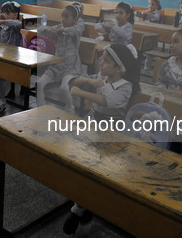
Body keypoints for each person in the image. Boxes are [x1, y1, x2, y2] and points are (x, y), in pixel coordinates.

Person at [63, 43, 140, 235]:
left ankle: (85, 207)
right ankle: (82, 205)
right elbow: (93, 83)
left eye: (106, 60)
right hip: (93, 122)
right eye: (102, 58)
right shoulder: (102, 77)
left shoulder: (126, 86)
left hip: (112, 129)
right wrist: (80, 80)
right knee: (84, 163)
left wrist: (82, 92)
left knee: (101, 168)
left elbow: (108, 101)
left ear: (119, 67)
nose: (101, 63)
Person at [36, 2, 84, 108]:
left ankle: (70, 108)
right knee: (39, 83)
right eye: (62, 16)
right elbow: (39, 29)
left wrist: (63, 30)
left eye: (66, 17)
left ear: (75, 20)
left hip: (70, 69)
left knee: (64, 88)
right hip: (56, 67)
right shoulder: (58, 27)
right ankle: (40, 109)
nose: (63, 19)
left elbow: (76, 30)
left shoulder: (75, 30)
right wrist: (47, 29)